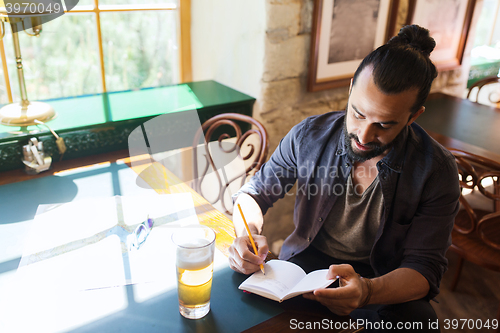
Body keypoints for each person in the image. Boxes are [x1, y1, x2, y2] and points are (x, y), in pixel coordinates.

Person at [228, 25, 461, 332]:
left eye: (384, 125)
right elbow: (254, 194)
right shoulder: (308, 135)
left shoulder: (436, 170)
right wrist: (247, 232)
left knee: (419, 321)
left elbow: (424, 268)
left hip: (381, 278)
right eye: (358, 113)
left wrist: (368, 291)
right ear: (351, 88)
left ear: (414, 116)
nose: (364, 136)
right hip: (305, 265)